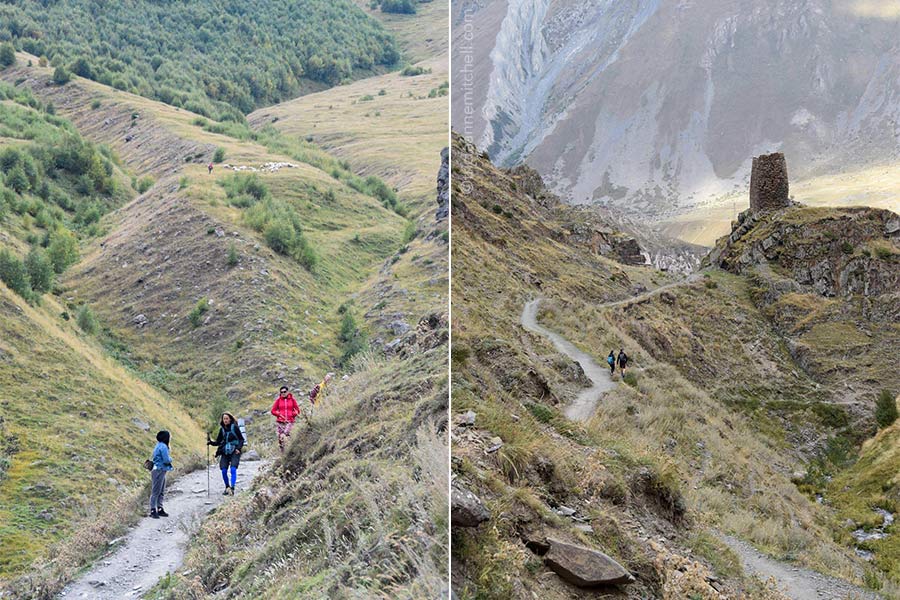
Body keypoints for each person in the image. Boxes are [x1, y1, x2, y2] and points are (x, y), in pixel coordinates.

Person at [207, 412, 244, 495]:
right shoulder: (222, 430)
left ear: (230, 419)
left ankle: (232, 487)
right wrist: (210, 442)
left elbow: (241, 439)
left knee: (233, 469)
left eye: (227, 418)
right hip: (225, 452)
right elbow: (218, 442)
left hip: (235, 451)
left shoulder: (235, 428)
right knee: (224, 471)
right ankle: (227, 487)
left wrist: (238, 448)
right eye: (224, 419)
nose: (225, 420)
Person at [149, 430, 173, 519]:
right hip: (160, 469)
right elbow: (166, 460)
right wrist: (171, 459)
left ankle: (159, 508)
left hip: (159, 469)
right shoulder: (163, 447)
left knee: (160, 490)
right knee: (157, 491)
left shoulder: (159, 445)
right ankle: (153, 509)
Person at [271, 386, 300, 452]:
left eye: (284, 392)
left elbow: (297, 410)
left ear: (288, 392)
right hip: (280, 422)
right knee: (280, 438)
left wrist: (292, 414)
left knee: (286, 435)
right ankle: (283, 452)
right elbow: (273, 411)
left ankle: (290, 451)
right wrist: (279, 414)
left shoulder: (292, 400)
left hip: (289, 421)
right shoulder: (278, 401)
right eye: (281, 392)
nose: (283, 393)